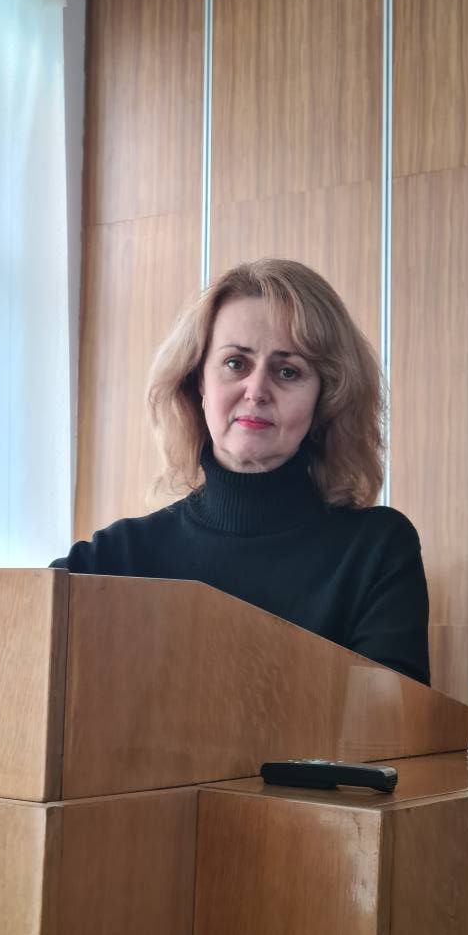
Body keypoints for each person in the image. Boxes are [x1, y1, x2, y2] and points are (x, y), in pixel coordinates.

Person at [52, 259, 430, 685]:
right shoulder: (118, 557)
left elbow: (390, 723)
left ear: (326, 398)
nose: (257, 390)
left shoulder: (377, 550)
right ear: (198, 380)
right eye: (236, 363)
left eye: (288, 371)